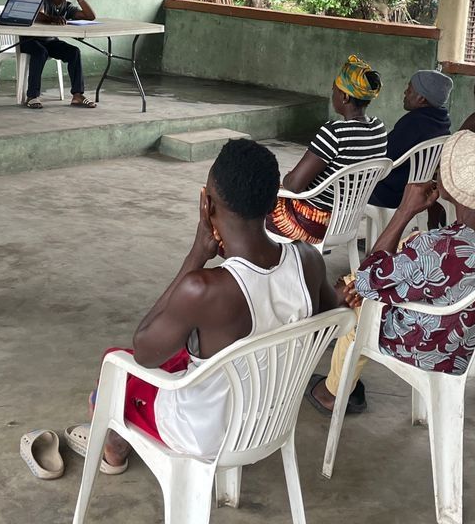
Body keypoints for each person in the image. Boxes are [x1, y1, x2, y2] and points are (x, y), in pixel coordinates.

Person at [66, 138, 339, 469]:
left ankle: (113, 449)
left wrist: (196, 254)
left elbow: (144, 351)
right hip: (267, 418)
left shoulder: (204, 290)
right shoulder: (308, 259)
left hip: (203, 435)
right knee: (186, 349)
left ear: (207, 205)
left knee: (115, 362)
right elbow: (328, 316)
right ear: (272, 204)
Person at [305, 131, 475, 414]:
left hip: (436, 348)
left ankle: (332, 393)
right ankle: (335, 308)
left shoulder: (438, 248)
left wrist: (405, 210)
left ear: (452, 183)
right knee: (377, 275)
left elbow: (367, 278)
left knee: (360, 305)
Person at [267, 55, 387, 244]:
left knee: (243, 203)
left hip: (310, 222)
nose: (333, 95)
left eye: (335, 91)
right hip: (346, 220)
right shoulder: (379, 129)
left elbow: (294, 185)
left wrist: (289, 178)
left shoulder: (335, 133)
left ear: (345, 96)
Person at [367, 70, 453, 210]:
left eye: (409, 90)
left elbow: (385, 157)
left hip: (391, 193)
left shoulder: (414, 122)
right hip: (415, 190)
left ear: (421, 99)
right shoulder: (442, 121)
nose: (405, 93)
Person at [23, 0, 98, 110]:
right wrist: (53, 19)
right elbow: (37, 14)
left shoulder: (67, 7)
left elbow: (90, 16)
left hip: (50, 41)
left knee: (74, 52)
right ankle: (32, 96)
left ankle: (77, 95)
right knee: (40, 52)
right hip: (29, 40)